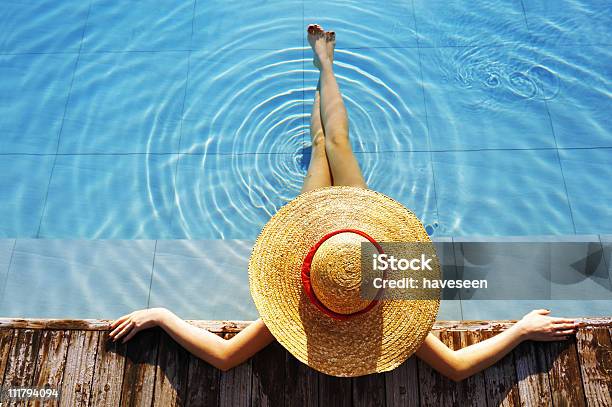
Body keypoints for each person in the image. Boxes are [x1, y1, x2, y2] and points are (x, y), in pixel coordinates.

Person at [110, 24, 579, 381]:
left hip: (327, 238)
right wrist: (517, 331)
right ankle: (326, 63)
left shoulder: (298, 306)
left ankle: (325, 62)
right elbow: (454, 370)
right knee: (335, 143)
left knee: (326, 146)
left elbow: (226, 358)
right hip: (351, 236)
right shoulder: (390, 284)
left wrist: (162, 315)